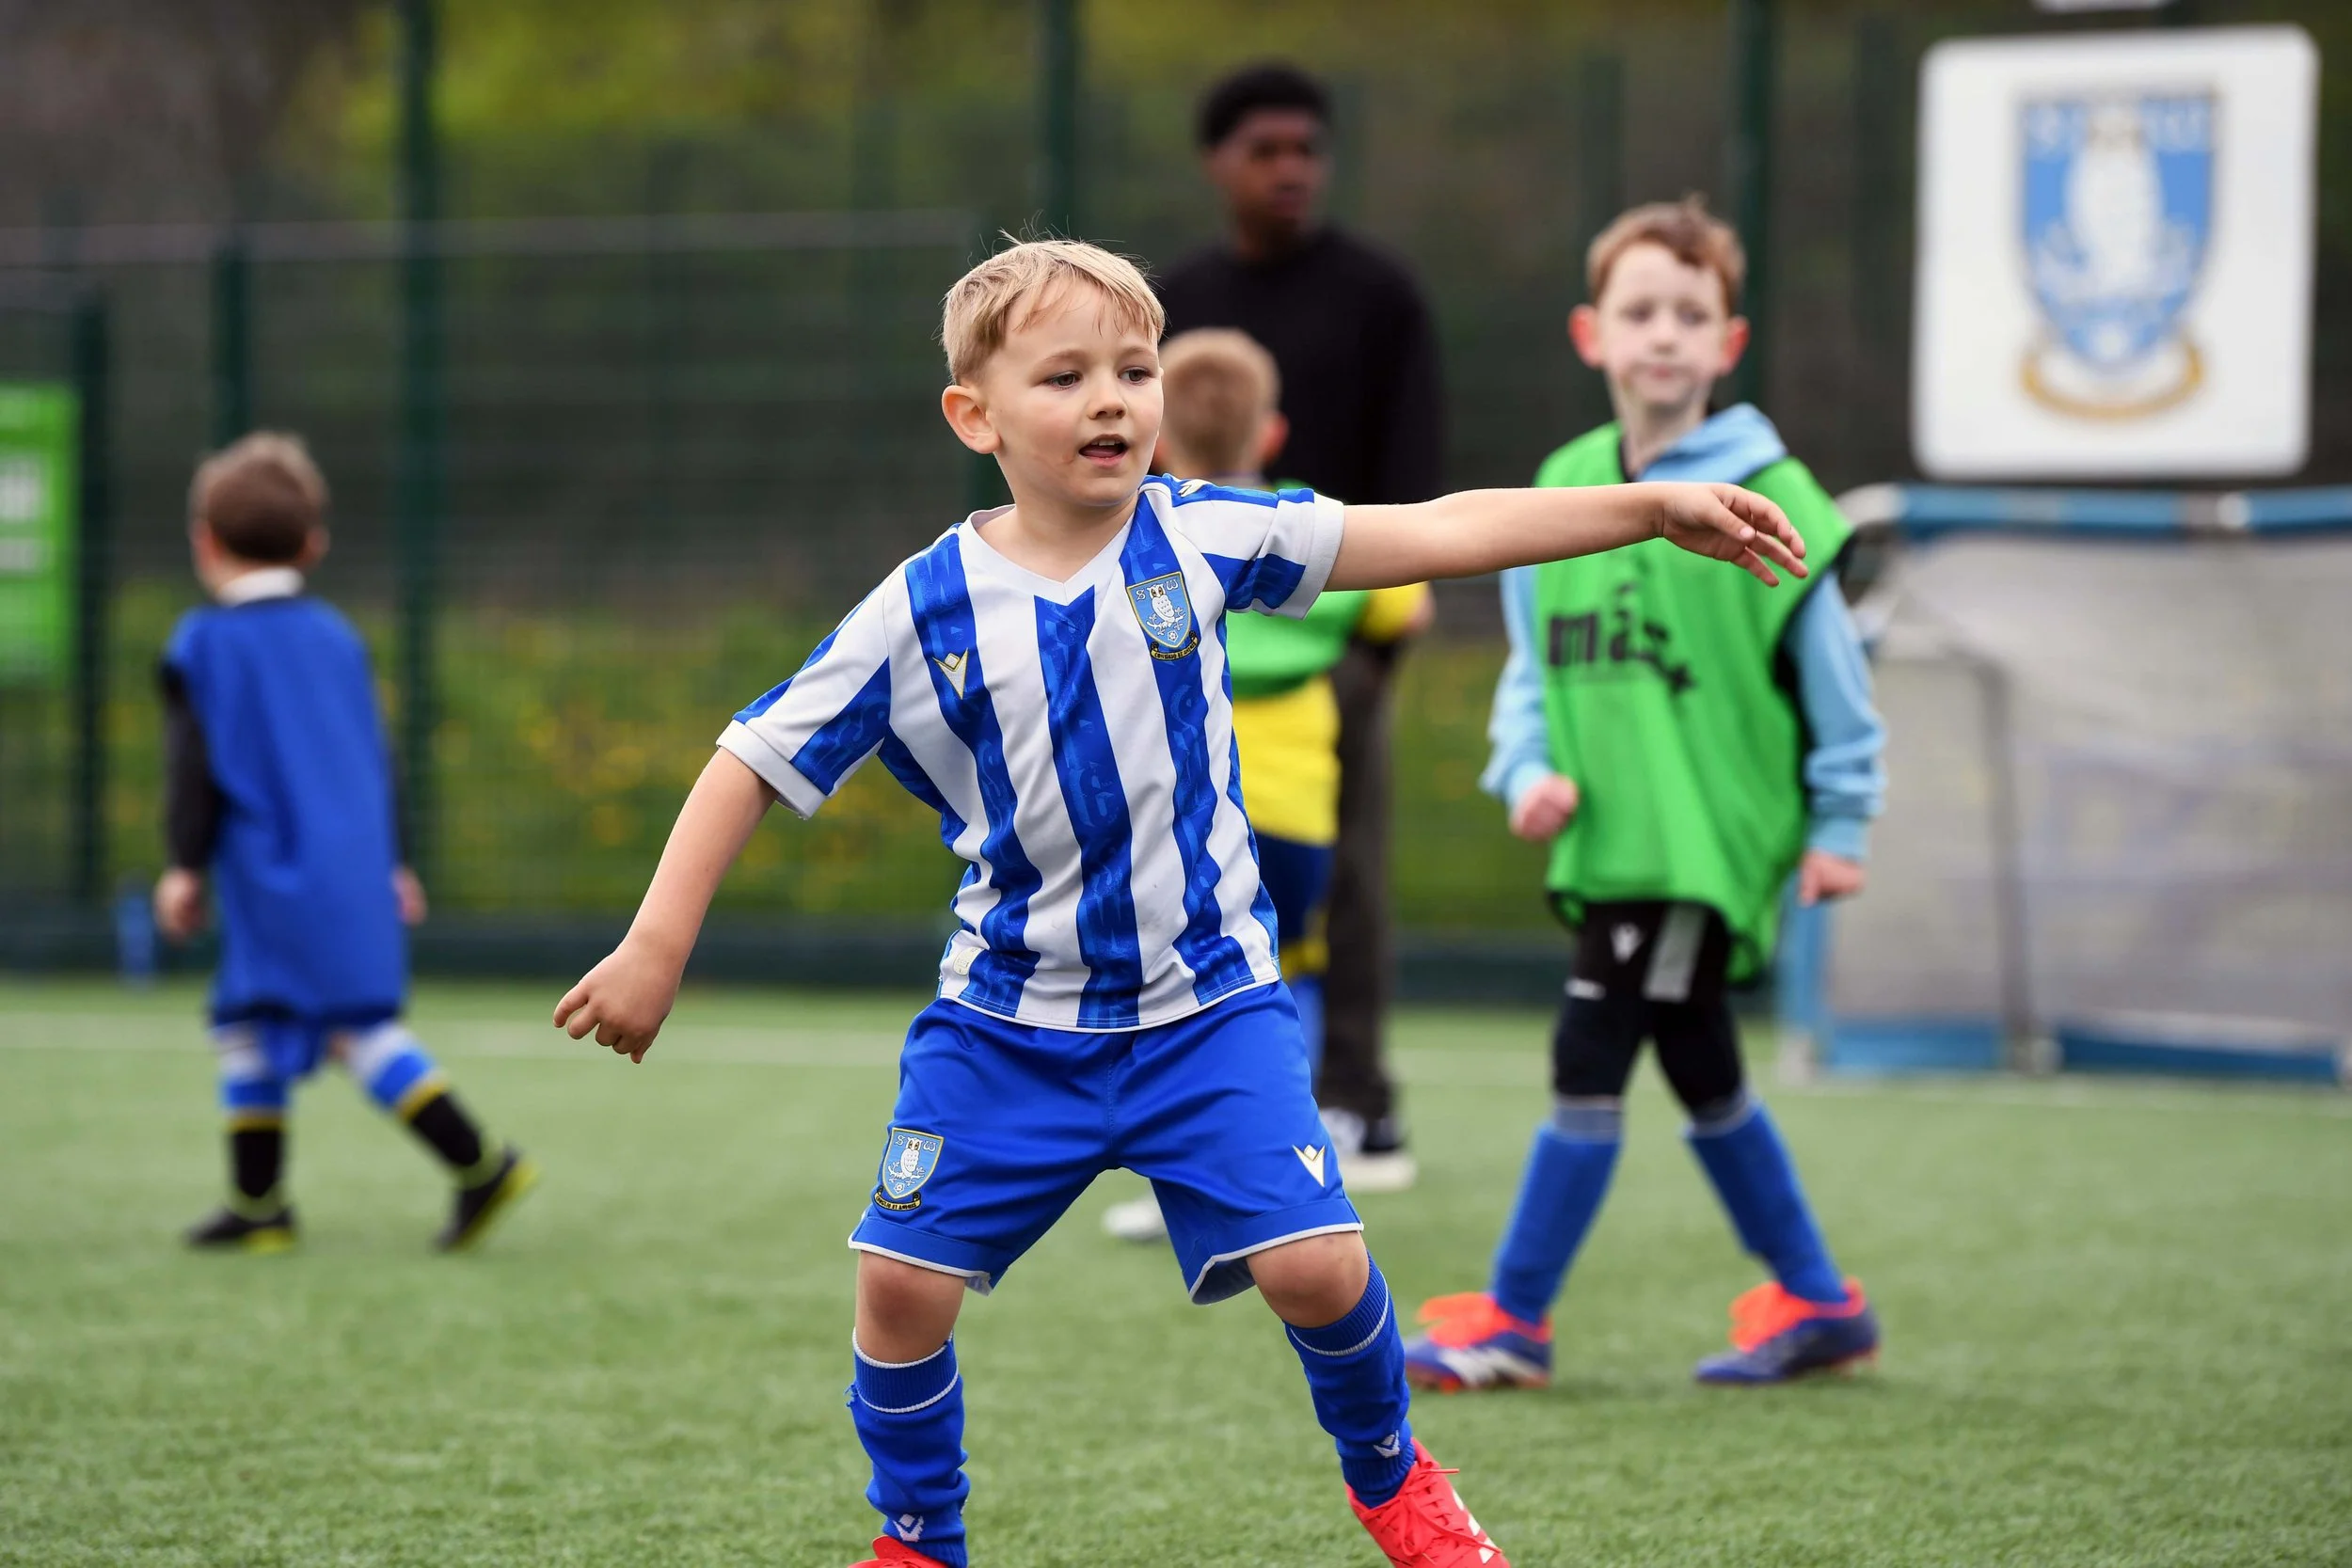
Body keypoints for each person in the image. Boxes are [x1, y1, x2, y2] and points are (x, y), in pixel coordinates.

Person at [551, 238, 1808, 1567]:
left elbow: (1430, 529)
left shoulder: (1201, 532)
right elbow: (752, 755)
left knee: (1318, 1267)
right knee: (899, 1284)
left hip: (1209, 1010)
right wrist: (653, 945)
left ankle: (1395, 1478)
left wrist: (1648, 506)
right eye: (1066, 375)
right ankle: (919, 1533)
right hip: (1004, 1028)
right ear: (974, 416)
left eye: (1135, 369)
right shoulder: (916, 610)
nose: (1113, 399)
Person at [1399, 198, 1885, 1393]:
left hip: (1700, 847)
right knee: (1701, 1062)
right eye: (1639, 312)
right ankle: (1818, 1298)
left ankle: (1513, 1315)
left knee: (1589, 1046)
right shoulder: (1564, 485)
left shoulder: (1778, 493)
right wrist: (1524, 769)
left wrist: (1840, 820)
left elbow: (1835, 681)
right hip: (1612, 844)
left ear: (1728, 343)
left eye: (1690, 314)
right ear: (1590, 334)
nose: (1662, 334)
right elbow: (1531, 665)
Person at [1158, 62, 1442, 1187]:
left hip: (1341, 649)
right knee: (1195, 880)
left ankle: (1360, 1099)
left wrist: (1374, 647)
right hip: (1188, 644)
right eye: (1265, 149)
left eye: (1307, 149)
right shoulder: (1170, 296)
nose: (1291, 169)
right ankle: (1200, 1115)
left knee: (1348, 876)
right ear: (1217, 162)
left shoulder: (1380, 294)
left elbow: (1416, 475)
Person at [157, 433, 536, 1253]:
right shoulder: (338, 638)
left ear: (204, 541)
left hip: (268, 872)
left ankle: (480, 1164)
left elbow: (194, 770)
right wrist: (396, 859)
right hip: (351, 865)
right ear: (314, 544)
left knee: (339, 1027)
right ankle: (260, 1205)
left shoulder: (204, 644)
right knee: (256, 1017)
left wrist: (183, 866)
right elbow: (376, 758)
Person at [1101, 326, 1430, 1244]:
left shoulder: (1148, 533)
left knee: (1182, 990)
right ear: (1272, 432)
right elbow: (1410, 597)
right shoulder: (1300, 530)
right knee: (1293, 972)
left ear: (1157, 438)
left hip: (1187, 813)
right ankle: (1303, 1150)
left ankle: (1190, 1176)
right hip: (1297, 811)